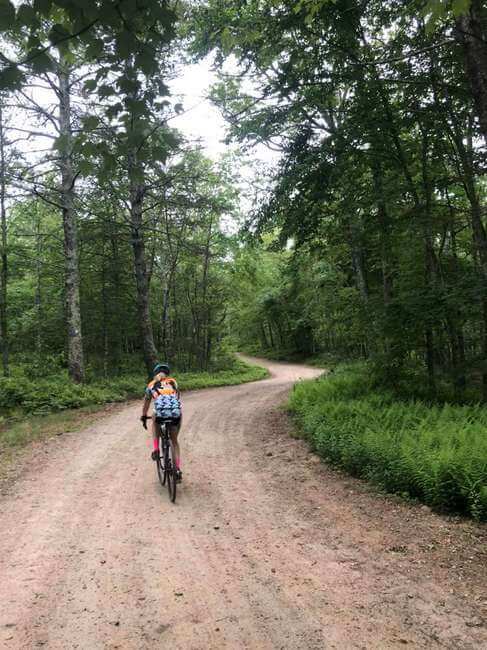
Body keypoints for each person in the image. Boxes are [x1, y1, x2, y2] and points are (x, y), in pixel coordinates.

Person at [140, 362, 183, 481]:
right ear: (167, 374)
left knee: (154, 422)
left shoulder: (151, 385)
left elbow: (146, 403)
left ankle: (156, 449)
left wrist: (144, 416)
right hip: (175, 415)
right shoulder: (173, 382)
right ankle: (177, 469)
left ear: (155, 374)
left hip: (159, 414)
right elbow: (177, 399)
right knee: (174, 442)